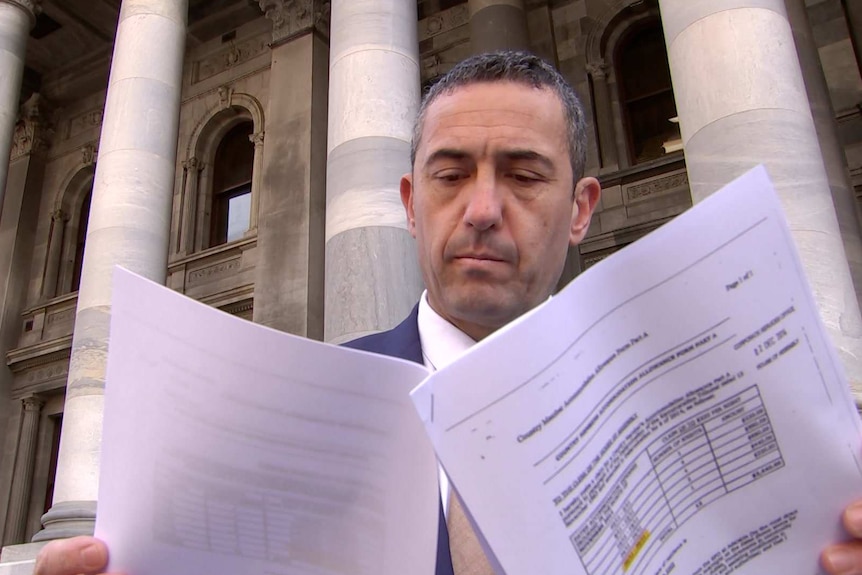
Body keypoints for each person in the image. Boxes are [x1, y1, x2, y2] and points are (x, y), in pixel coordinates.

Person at [30, 51, 862, 575]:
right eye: (451, 173)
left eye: (525, 173)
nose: (483, 208)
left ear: (581, 210)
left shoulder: (708, 414)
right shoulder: (275, 427)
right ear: (410, 203)